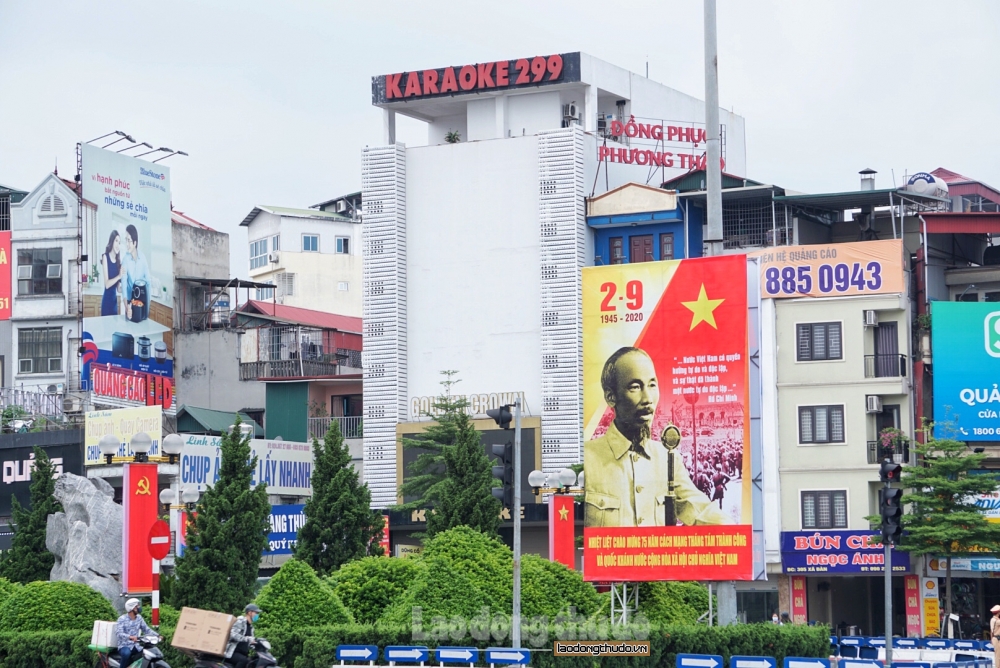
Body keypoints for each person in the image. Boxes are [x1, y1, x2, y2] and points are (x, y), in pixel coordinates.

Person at [584, 346, 729, 527]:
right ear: (611, 396)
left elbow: (701, 510)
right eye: (635, 387)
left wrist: (738, 535)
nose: (648, 399)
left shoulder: (666, 458)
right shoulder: (586, 460)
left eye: (652, 385)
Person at [120, 224, 150, 321]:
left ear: (135, 242)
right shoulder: (125, 260)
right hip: (130, 302)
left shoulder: (143, 258)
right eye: (126, 240)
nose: (127, 244)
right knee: (130, 326)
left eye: (129, 240)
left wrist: (147, 309)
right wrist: (126, 308)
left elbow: (148, 282)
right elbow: (124, 283)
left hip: (142, 301)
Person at [115, 598, 152, 668]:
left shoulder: (139, 618)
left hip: (136, 645)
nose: (139, 608)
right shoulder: (122, 619)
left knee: (147, 653)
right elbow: (119, 633)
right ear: (131, 608)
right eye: (137, 606)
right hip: (124, 645)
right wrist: (130, 637)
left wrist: (157, 636)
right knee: (126, 654)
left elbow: (146, 629)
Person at [226, 603, 261, 668]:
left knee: (252, 663)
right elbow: (233, 634)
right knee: (244, 661)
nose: (257, 615)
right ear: (250, 613)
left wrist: (257, 645)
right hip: (233, 652)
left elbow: (250, 641)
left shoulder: (251, 627)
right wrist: (247, 639)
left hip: (243, 654)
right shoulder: (240, 621)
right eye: (256, 613)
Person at [100, 230, 122, 316]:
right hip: (106, 303)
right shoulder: (105, 257)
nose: (118, 245)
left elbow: (118, 289)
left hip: (114, 305)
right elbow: (107, 284)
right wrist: (119, 276)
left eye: (119, 242)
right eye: (116, 241)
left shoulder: (118, 263)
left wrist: (129, 288)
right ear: (112, 241)